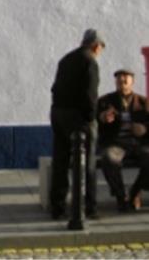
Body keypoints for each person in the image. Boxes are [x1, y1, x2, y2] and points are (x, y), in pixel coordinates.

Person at [50, 29, 105, 220]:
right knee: (87, 163)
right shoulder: (90, 62)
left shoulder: (65, 59)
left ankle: (57, 207)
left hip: (58, 114)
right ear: (96, 46)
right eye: (100, 48)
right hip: (79, 118)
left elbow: (55, 88)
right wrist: (91, 118)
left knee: (60, 161)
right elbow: (91, 94)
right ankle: (89, 207)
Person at [98, 69, 149, 211]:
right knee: (108, 158)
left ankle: (135, 192)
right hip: (116, 144)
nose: (122, 81)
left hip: (138, 143)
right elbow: (95, 119)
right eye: (119, 79)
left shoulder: (143, 102)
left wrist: (144, 128)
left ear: (132, 82)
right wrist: (103, 118)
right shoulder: (105, 101)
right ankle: (121, 196)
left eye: (126, 78)